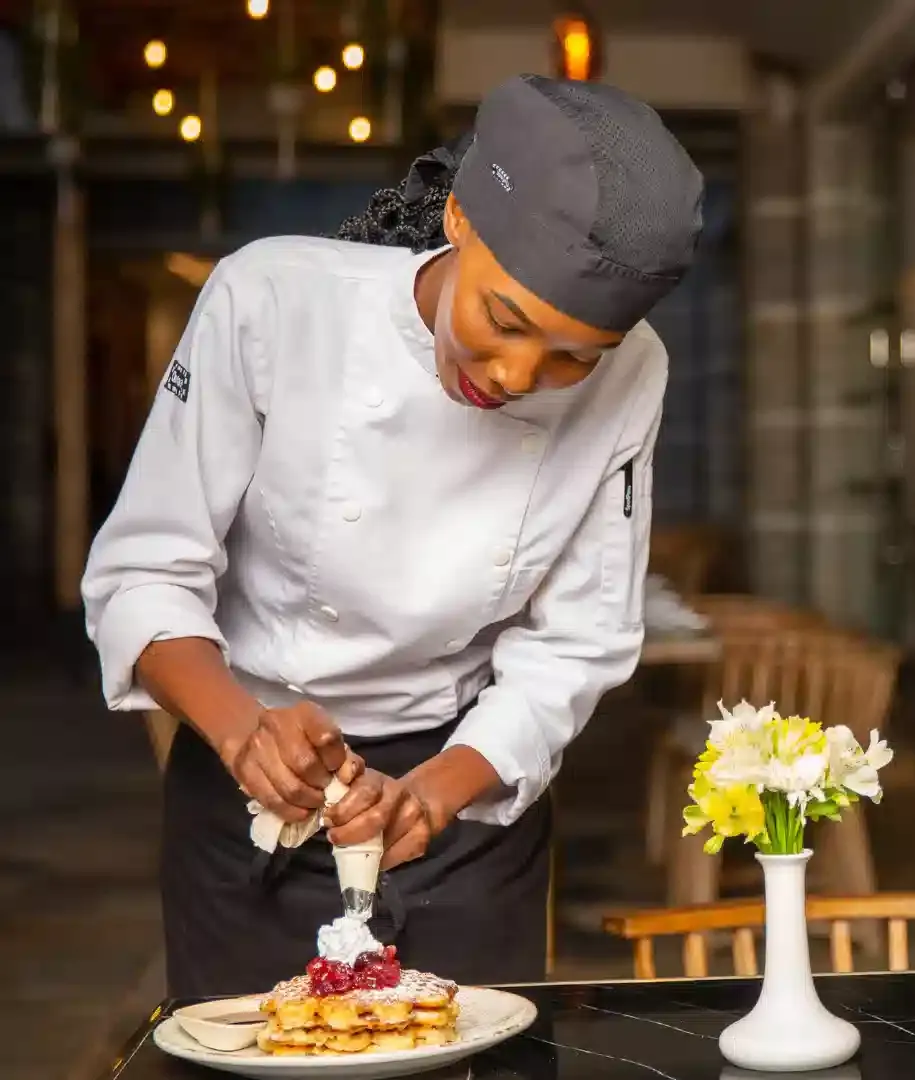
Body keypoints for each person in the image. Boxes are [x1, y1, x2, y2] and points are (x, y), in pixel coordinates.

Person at [82, 74, 703, 996]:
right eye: (503, 320)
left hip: (463, 806)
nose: (518, 374)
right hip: (248, 777)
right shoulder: (273, 300)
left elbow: (579, 641)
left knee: (479, 1057)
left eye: (574, 357)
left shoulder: (636, 373)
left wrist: (435, 793)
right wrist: (245, 734)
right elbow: (143, 574)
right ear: (459, 218)